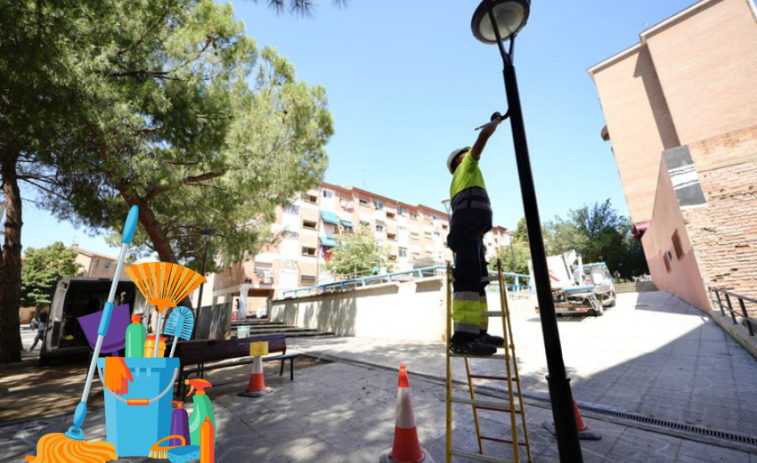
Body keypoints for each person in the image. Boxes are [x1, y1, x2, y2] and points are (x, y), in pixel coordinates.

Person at [446, 118, 505, 356]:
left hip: (473, 233)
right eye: (466, 152)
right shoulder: (466, 167)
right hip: (467, 231)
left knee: (478, 282)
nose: (471, 153)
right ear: (460, 159)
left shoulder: (466, 175)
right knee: (468, 282)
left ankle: (478, 333)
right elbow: (483, 138)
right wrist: (495, 122)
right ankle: (462, 338)